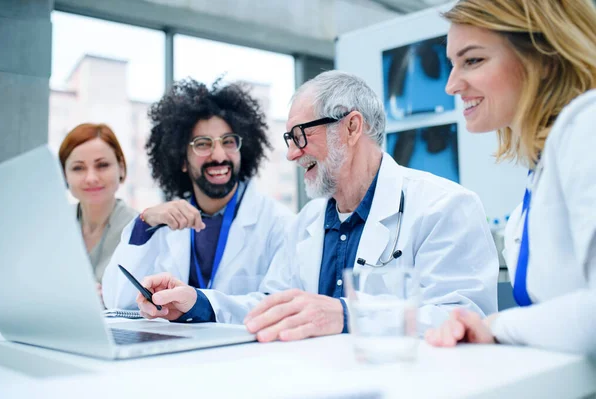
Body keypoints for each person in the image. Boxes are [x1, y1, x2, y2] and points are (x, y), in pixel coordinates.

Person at [134, 70, 499, 341]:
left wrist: (345, 315)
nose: (293, 153)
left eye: (300, 135)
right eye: (289, 139)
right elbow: (271, 306)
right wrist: (196, 302)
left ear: (352, 127)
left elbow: (465, 319)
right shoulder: (308, 221)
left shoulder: (445, 207)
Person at [425, 0, 596, 355]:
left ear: (545, 58)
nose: (452, 85)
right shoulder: (542, 169)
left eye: (473, 60)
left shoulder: (586, 126)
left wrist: (496, 327)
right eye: (451, 65)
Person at [102, 78, 295, 310]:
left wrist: (202, 306)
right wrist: (145, 223)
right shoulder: (162, 226)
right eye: (203, 144)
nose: (219, 155)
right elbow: (116, 301)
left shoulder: (279, 224)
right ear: (182, 160)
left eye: (229, 142)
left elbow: (283, 304)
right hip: (175, 346)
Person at [59, 123, 138, 298]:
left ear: (121, 168)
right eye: (78, 168)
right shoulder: (54, 225)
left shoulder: (139, 229)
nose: (91, 178)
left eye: (102, 165)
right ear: (64, 174)